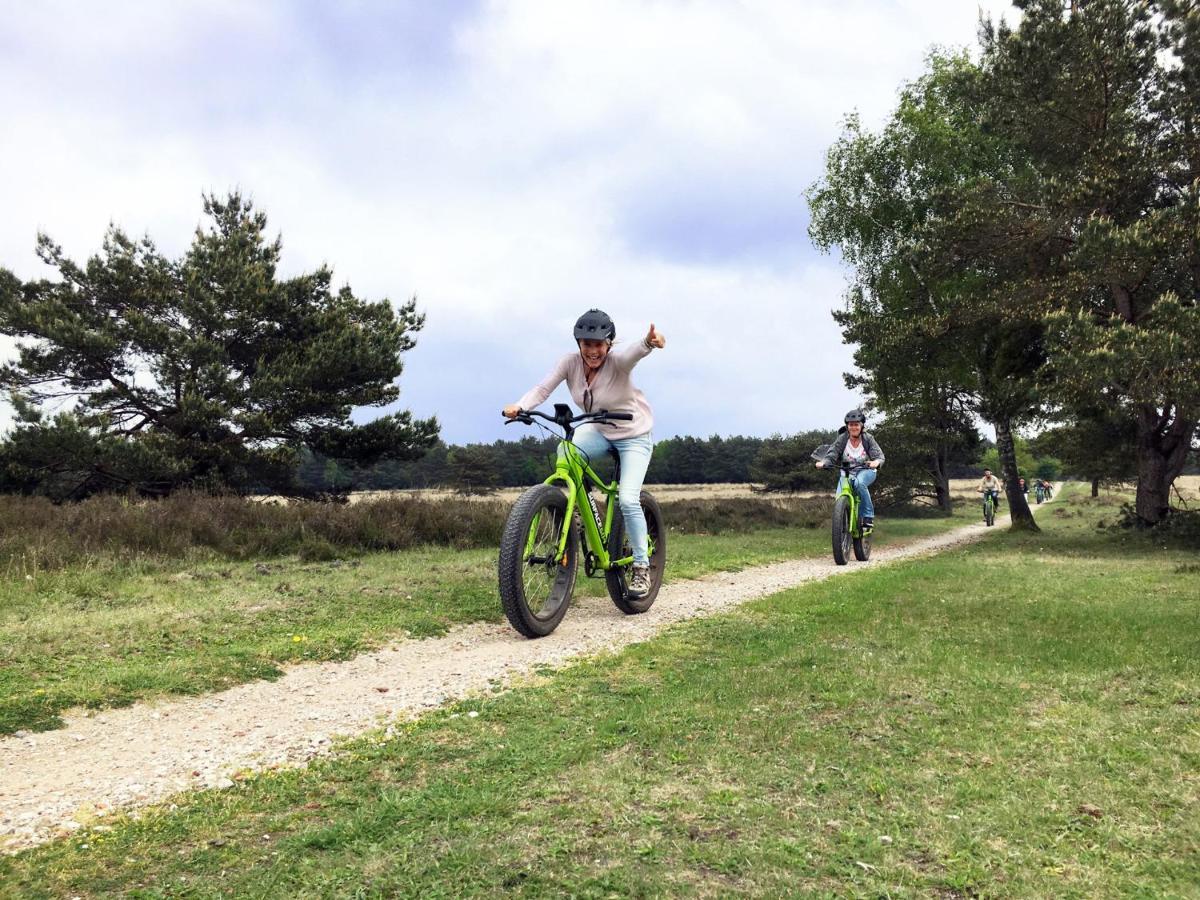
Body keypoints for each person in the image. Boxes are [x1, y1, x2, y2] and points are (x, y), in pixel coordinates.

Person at [503, 309, 665, 598]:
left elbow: (633, 354)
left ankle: (641, 566)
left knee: (628, 499)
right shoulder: (569, 363)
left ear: (609, 344)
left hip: (634, 435)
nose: (593, 351)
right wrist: (520, 406)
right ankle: (577, 503)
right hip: (600, 430)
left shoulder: (618, 361)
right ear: (579, 344)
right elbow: (543, 388)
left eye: (599, 344)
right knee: (565, 448)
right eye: (586, 344)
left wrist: (648, 343)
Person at [814, 409, 885, 532]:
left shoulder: (868, 438)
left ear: (861, 426)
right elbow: (832, 454)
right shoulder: (842, 438)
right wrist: (824, 462)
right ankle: (842, 530)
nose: (854, 427)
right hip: (847, 471)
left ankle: (868, 517)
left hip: (866, 470)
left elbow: (879, 456)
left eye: (856, 424)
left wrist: (876, 462)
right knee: (839, 499)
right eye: (851, 425)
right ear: (847, 426)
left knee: (859, 483)